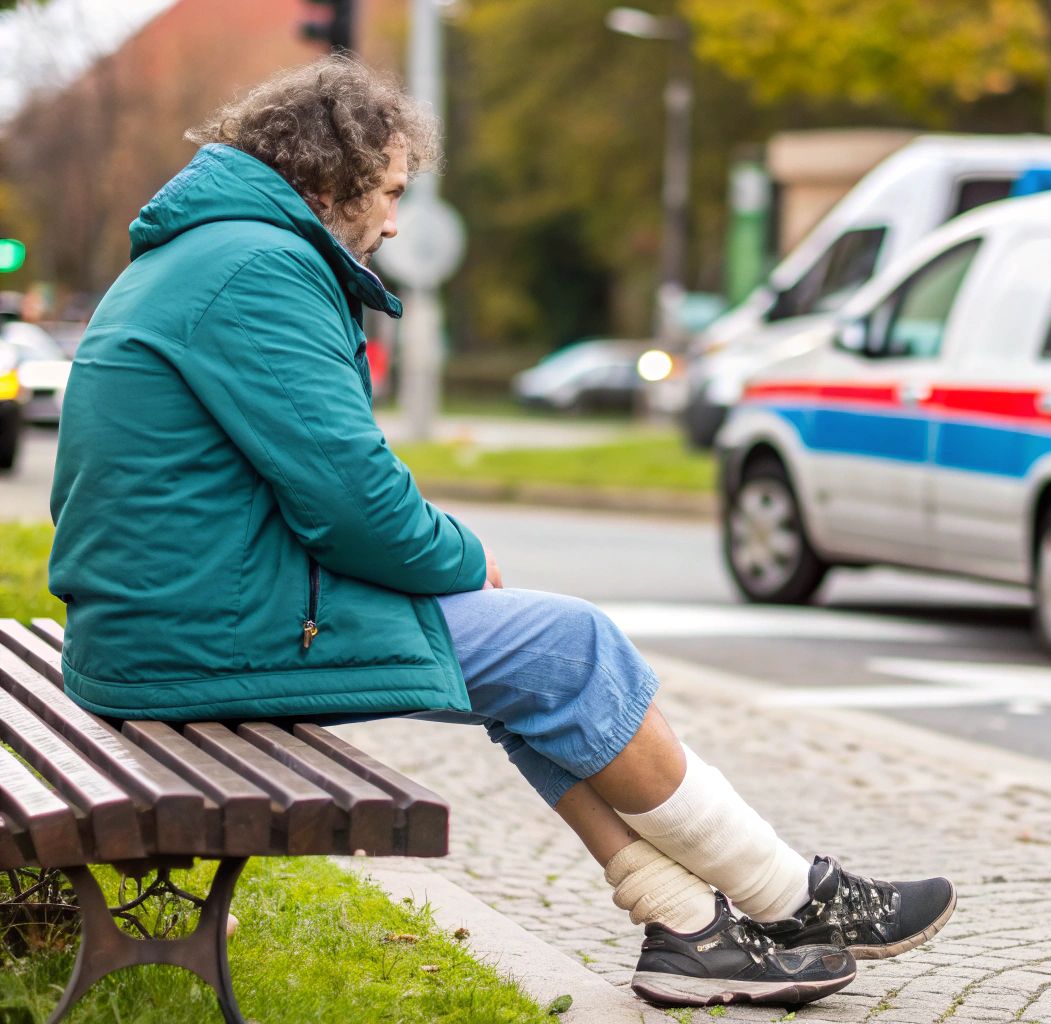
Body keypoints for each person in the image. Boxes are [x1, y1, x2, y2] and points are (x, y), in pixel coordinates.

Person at [46, 55, 952, 1009]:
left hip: (174, 619)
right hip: (199, 636)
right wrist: (467, 562)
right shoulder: (257, 270)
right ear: (331, 176)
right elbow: (353, 503)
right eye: (392, 191)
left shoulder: (207, 254)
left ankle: (687, 929)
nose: (396, 221)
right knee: (569, 646)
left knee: (535, 665)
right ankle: (793, 897)